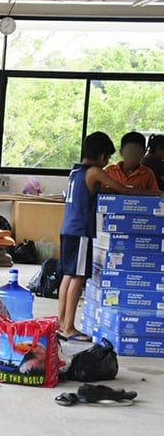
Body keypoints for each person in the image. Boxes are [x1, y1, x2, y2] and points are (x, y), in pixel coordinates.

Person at [57, 132, 158, 342]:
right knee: (78, 277)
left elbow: (99, 189)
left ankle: (60, 323)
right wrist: (155, 195)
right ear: (103, 156)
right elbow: (122, 189)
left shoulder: (75, 171)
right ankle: (68, 327)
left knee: (68, 275)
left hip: (67, 228)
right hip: (81, 230)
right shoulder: (94, 171)